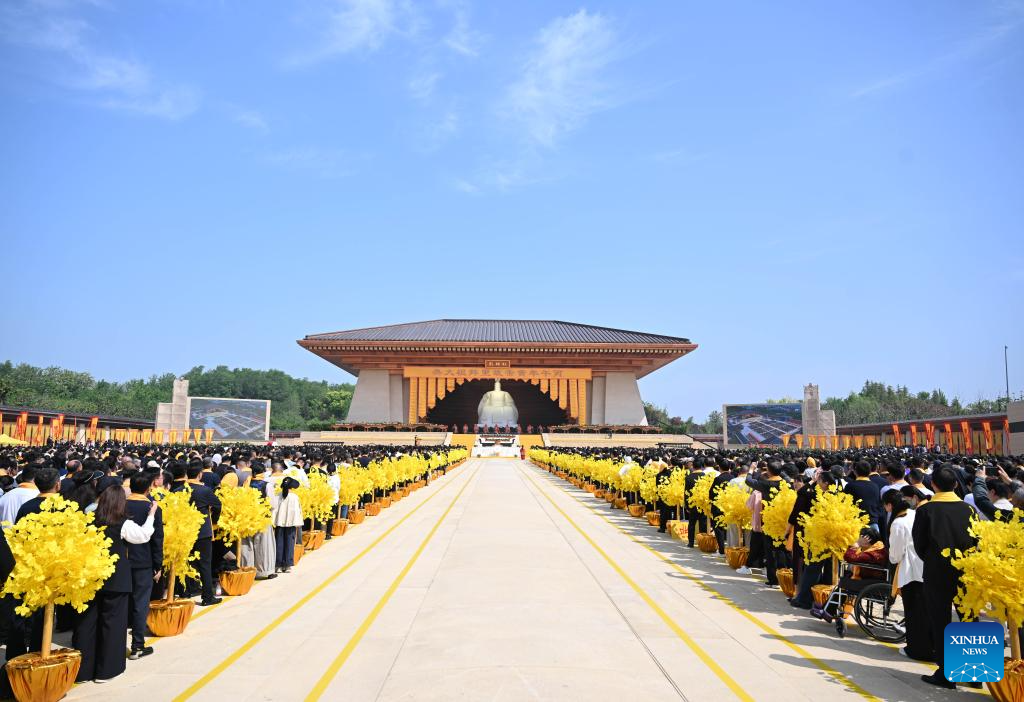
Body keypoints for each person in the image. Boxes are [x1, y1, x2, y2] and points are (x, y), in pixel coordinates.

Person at [73, 482, 157, 683]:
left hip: (90, 578)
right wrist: (152, 515)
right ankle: (107, 670)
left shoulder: (89, 519)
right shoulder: (122, 523)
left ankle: (83, 671)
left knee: (87, 624)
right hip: (115, 579)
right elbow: (144, 535)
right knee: (113, 623)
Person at [912, 464, 977, 690]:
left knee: (940, 620)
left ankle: (946, 673)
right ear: (956, 484)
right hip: (967, 569)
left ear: (933, 484)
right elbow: (977, 539)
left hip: (937, 570)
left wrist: (933, 559)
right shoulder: (969, 510)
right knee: (969, 616)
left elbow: (919, 544)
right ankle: (976, 672)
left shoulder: (926, 510)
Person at [883, 490, 929, 661]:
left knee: (913, 612)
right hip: (926, 567)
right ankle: (928, 646)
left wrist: (891, 558)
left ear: (889, 505)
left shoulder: (898, 523)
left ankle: (916, 649)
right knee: (924, 611)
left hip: (910, 571)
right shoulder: (914, 514)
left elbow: (895, 555)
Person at [170, 462, 221, 606]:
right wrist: (213, 519)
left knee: (184, 562)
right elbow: (218, 505)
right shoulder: (205, 490)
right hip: (202, 531)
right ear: (200, 475)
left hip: (183, 532)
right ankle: (207, 596)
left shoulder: (178, 490)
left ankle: (184, 592)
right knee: (204, 564)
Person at [125, 472, 163, 660]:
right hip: (143, 561)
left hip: (121, 561)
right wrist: (158, 564)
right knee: (141, 603)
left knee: (123, 603)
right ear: (149, 488)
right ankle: (137, 645)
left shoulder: (120, 505)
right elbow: (157, 539)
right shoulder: (152, 507)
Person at [240, 463, 277, 579]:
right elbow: (272, 504)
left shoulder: (245, 484)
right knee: (264, 545)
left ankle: (248, 570)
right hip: (262, 519)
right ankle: (265, 571)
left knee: (247, 546)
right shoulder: (267, 485)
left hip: (247, 519)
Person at [273, 477, 302, 574]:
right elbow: (297, 511)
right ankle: (288, 564)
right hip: (291, 523)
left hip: (279, 523)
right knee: (290, 542)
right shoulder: (294, 497)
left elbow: (274, 510)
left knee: (279, 543)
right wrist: (298, 523)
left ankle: (278, 565)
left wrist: (273, 522)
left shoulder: (277, 495)